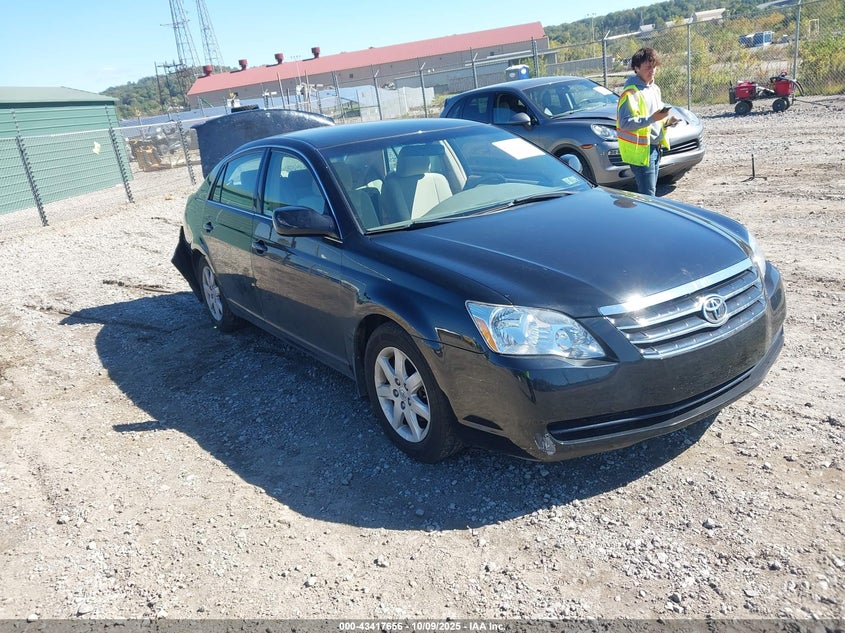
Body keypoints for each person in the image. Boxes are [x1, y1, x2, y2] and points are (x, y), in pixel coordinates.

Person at [616, 47, 679, 196]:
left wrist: (668, 121)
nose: (652, 71)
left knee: (650, 194)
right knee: (648, 197)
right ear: (636, 68)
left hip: (655, 148)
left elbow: (655, 118)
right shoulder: (630, 93)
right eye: (648, 67)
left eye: (654, 67)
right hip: (642, 152)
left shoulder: (654, 89)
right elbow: (625, 123)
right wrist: (652, 119)